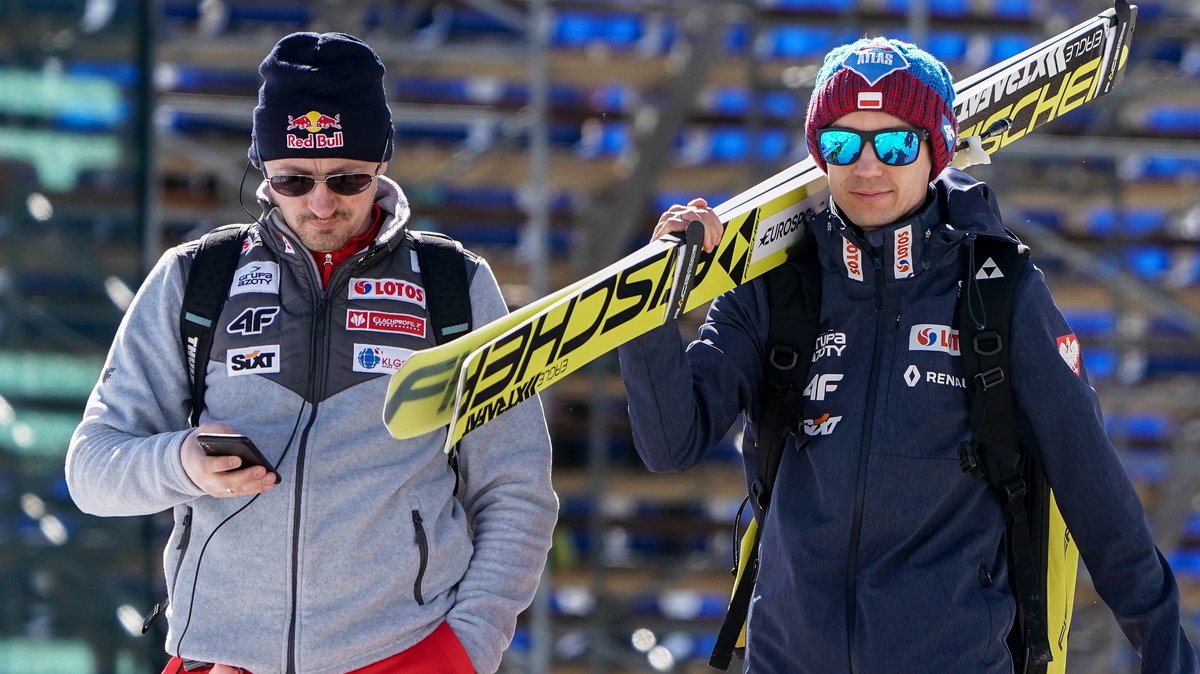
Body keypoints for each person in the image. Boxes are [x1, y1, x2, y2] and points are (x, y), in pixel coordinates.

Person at [618, 37, 1198, 672]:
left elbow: (1094, 489)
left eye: (895, 144)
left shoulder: (998, 290)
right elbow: (670, 442)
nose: (868, 168)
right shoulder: (776, 285)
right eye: (843, 144)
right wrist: (654, 303)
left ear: (935, 151)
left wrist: (1168, 654)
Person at [66, 32, 557, 674]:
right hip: (223, 658)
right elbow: (91, 471)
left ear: (380, 167)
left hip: (403, 653)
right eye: (294, 180)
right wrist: (180, 462)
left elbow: (516, 485)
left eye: (346, 178)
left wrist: (469, 645)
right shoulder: (196, 278)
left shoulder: (453, 285)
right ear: (264, 173)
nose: (321, 203)